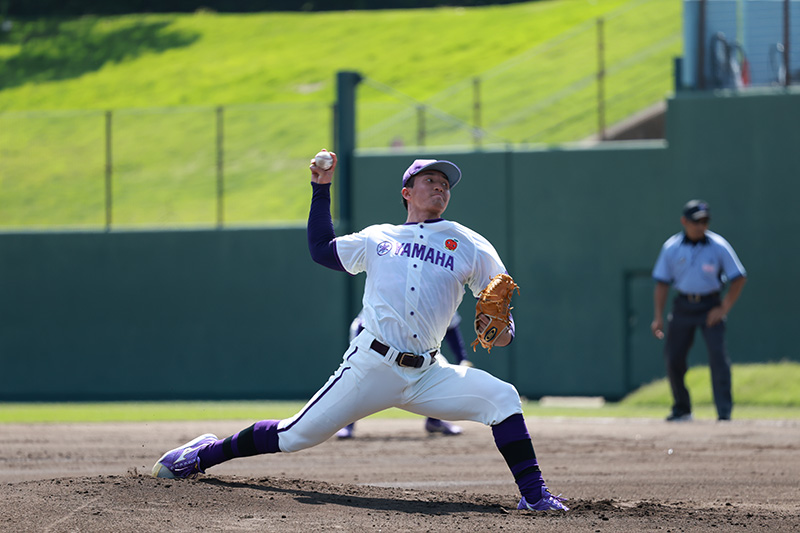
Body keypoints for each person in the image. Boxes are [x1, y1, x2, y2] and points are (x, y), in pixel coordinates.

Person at [151, 153, 568, 512]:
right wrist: (320, 188)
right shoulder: (378, 238)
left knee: (503, 397)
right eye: (430, 181)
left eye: (445, 184)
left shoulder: (469, 243)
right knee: (295, 435)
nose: (440, 187)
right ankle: (200, 455)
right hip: (373, 364)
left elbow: (499, 312)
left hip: (429, 373)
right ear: (407, 191)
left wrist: (500, 332)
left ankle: (534, 496)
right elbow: (321, 250)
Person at [650, 199, 747, 422]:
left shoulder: (718, 245)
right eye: (696, 222)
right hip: (683, 305)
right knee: (673, 357)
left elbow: (739, 278)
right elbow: (662, 283)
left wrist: (723, 308)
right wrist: (658, 316)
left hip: (710, 306)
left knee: (718, 357)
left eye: (705, 221)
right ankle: (682, 408)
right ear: (684, 221)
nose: (701, 226)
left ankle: (724, 413)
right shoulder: (672, 247)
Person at [336, 310, 471, 439]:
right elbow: (363, 324)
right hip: (379, 343)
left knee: (443, 372)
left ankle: (434, 421)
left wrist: (462, 358)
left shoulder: (444, 295)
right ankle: (347, 424)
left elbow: (451, 328)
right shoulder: (397, 290)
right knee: (362, 379)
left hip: (419, 348)